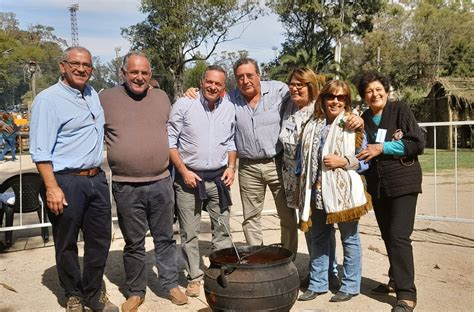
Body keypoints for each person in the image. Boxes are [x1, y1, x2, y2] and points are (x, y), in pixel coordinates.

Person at [29, 46, 118, 312]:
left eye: (87, 65)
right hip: (65, 181)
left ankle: (94, 292)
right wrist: (52, 187)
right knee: (66, 241)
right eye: (75, 64)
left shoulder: (92, 95)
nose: (81, 69)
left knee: (100, 239)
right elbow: (40, 151)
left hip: (96, 178)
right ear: (62, 66)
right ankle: (73, 294)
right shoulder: (48, 100)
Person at [99, 51, 188, 311]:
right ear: (123, 73)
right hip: (126, 186)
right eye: (133, 72)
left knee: (165, 238)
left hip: (161, 182)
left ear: (150, 74)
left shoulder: (162, 98)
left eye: (144, 72)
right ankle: (136, 291)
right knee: (134, 242)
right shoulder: (105, 99)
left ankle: (170, 284)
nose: (139, 77)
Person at [296, 80, 371, 302]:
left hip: (343, 193)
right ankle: (319, 283)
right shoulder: (312, 124)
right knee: (318, 237)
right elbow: (302, 159)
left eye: (341, 97)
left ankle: (350, 285)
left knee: (349, 238)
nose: (335, 101)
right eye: (331, 96)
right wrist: (303, 183)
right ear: (323, 99)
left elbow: (364, 160)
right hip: (316, 192)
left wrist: (343, 161)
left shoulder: (352, 124)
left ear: (346, 101)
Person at [356, 71, 424, 312]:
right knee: (388, 235)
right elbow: (360, 149)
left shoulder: (400, 109)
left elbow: (417, 143)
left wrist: (381, 148)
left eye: (378, 89)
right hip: (378, 186)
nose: (374, 94)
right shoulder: (363, 118)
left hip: (404, 181)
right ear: (363, 96)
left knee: (398, 235)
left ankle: (407, 295)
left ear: (386, 90)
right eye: (368, 91)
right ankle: (395, 278)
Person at [168, 65, 236, 297]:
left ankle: (221, 269)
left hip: (219, 178)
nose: (212, 87)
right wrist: (183, 171)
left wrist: (232, 167)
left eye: (218, 84)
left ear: (223, 87)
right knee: (189, 232)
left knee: (223, 228)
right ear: (201, 82)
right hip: (189, 179)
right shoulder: (184, 104)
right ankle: (194, 276)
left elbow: (231, 142)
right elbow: (170, 142)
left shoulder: (229, 107)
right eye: (209, 82)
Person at [278, 67, 339, 289]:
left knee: (321, 227)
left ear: (310, 86)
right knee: (307, 226)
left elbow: (341, 123)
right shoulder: (288, 108)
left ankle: (330, 273)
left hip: (315, 180)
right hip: (294, 180)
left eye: (300, 84)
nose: (294, 88)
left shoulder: (320, 111)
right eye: (292, 84)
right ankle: (317, 272)